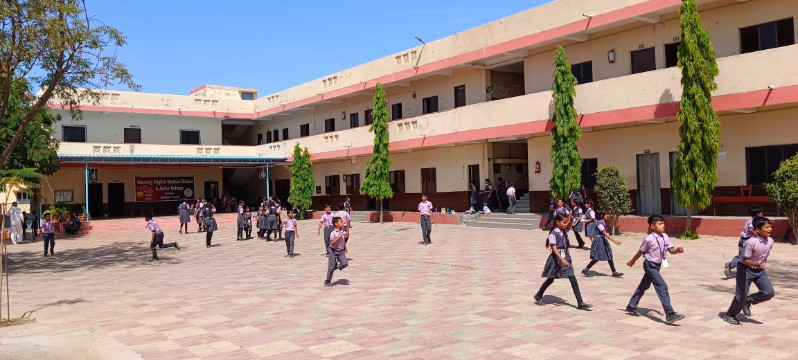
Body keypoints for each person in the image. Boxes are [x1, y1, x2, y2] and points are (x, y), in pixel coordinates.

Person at [625, 215, 685, 324]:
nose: (663, 226)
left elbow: (671, 250)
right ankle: (670, 314)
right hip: (649, 265)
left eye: (663, 223)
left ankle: (631, 305)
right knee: (662, 286)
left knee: (644, 285)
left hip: (657, 265)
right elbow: (640, 251)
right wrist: (632, 261)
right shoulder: (648, 239)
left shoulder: (665, 236)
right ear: (652, 226)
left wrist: (678, 250)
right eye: (660, 224)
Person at [534, 214, 592, 311]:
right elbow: (554, 248)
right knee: (550, 279)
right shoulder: (553, 233)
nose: (566, 224)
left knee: (572, 278)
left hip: (565, 257)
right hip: (556, 259)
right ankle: (538, 295)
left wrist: (569, 261)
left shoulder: (564, 232)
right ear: (557, 222)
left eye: (567, 222)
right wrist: (561, 259)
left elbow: (566, 247)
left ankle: (580, 302)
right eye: (564, 222)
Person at [723, 216, 776, 325]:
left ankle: (748, 301)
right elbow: (744, 259)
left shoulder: (770, 241)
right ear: (757, 230)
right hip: (745, 270)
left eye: (770, 227)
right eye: (767, 227)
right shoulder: (750, 242)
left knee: (769, 292)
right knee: (740, 296)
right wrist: (755, 264)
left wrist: (759, 266)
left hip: (760, 271)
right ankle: (729, 314)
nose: (770, 229)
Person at [724, 206, 763, 278]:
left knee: (742, 255)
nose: (762, 214)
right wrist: (758, 235)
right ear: (757, 214)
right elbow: (750, 229)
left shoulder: (749, 220)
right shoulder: (753, 221)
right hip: (747, 240)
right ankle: (731, 265)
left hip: (743, 239)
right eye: (760, 212)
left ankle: (744, 269)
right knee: (744, 256)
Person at [582, 210, 623, 277]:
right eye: (606, 214)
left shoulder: (601, 222)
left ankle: (614, 272)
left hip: (602, 240)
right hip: (599, 241)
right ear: (602, 216)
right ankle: (586, 269)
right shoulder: (599, 224)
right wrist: (614, 241)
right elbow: (605, 234)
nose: (607, 216)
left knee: (609, 255)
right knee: (597, 256)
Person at [324, 217, 348, 287]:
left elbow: (343, 240)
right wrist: (338, 237)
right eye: (341, 222)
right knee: (330, 268)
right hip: (333, 251)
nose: (343, 223)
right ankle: (327, 281)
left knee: (345, 263)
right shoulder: (333, 233)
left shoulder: (343, 231)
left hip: (340, 251)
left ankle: (336, 266)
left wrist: (345, 247)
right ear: (336, 224)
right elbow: (332, 243)